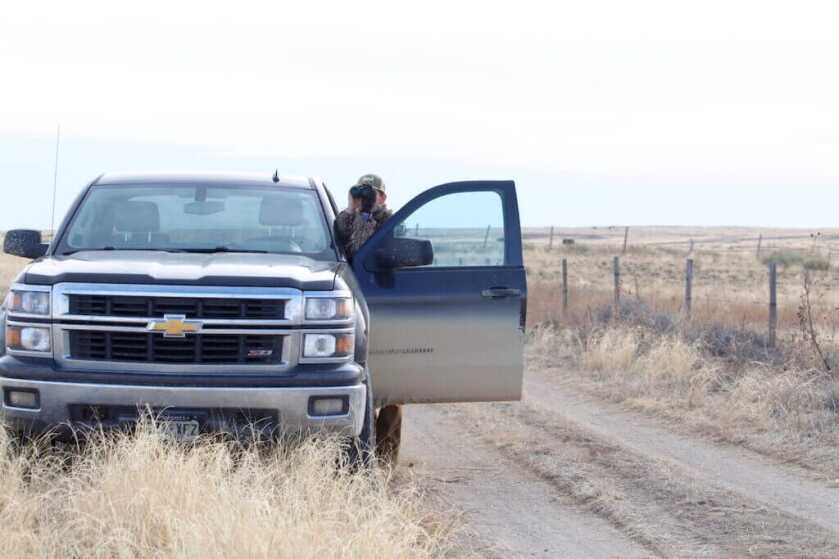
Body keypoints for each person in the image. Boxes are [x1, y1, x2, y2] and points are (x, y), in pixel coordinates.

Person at [334, 174, 403, 464]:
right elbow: (341, 244)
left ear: (383, 197)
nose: (366, 197)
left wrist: (367, 217)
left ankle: (386, 458)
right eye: (362, 192)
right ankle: (358, 455)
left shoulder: (391, 221)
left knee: (390, 388)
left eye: (372, 194)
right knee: (357, 378)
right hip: (351, 304)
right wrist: (352, 211)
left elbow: (368, 252)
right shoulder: (346, 219)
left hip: (382, 303)